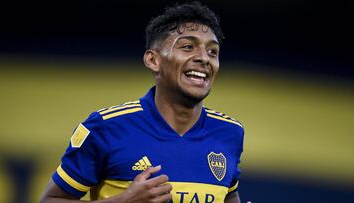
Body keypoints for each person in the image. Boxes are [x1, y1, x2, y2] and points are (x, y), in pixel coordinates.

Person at [40, 1, 245, 203]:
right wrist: (125, 201)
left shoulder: (230, 132)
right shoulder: (106, 127)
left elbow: (229, 196)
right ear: (153, 60)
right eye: (188, 46)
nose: (204, 58)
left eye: (212, 52)